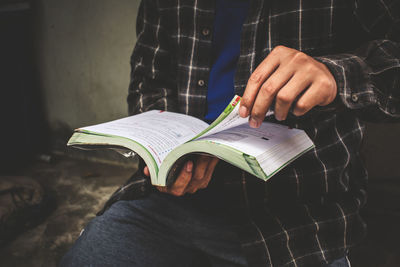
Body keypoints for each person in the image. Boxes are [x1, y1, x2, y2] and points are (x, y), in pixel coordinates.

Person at [60, 0, 400, 266]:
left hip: (297, 215)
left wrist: (336, 76)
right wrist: (165, 151)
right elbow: (149, 77)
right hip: (167, 202)